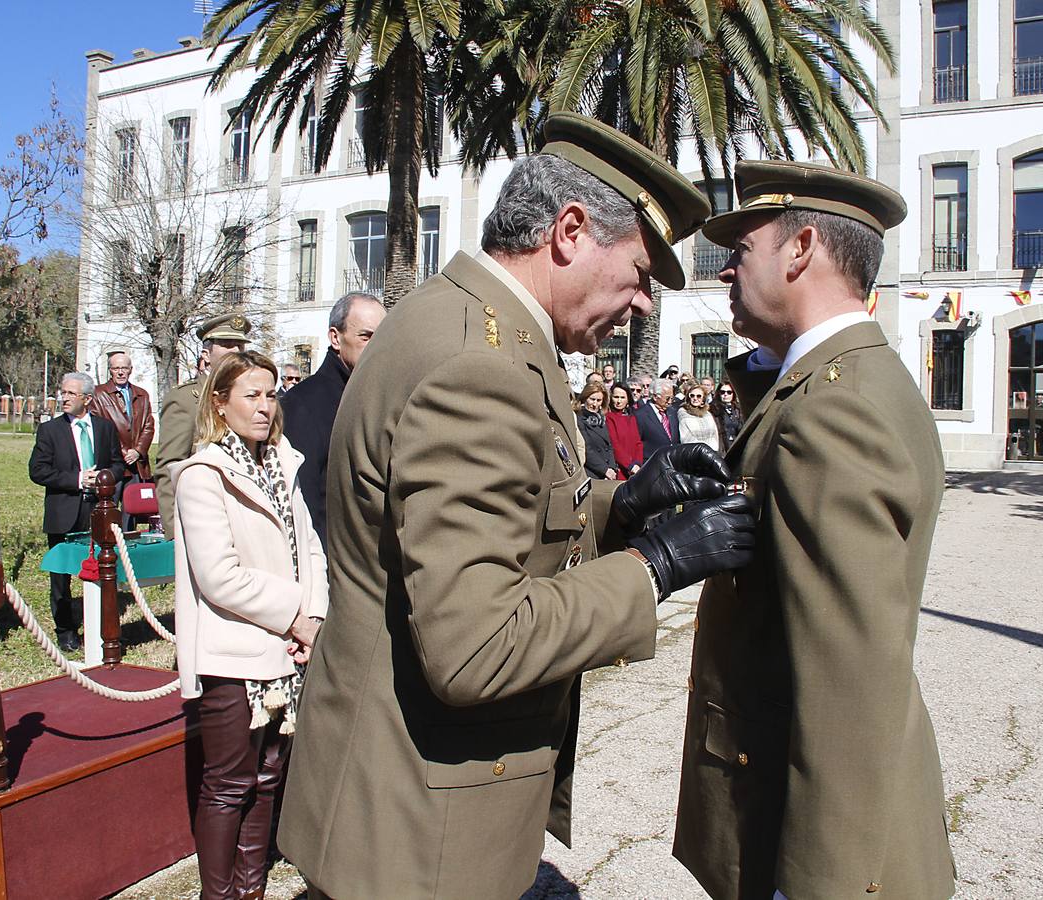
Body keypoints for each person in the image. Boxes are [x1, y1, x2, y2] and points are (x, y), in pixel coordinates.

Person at [277, 112, 756, 900]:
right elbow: (476, 644)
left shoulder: (474, 326)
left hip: (398, 800)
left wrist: (623, 506)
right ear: (569, 231)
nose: (641, 303)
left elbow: (506, 519)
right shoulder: (480, 363)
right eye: (638, 272)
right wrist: (655, 566)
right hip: (417, 833)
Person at [673, 159, 956, 900]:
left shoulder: (830, 414)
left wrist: (813, 885)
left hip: (810, 841)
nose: (727, 271)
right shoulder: (847, 380)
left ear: (800, 249)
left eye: (741, 252)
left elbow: (848, 678)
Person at [171, 350, 327, 900]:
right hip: (233, 651)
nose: (265, 407)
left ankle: (250, 888)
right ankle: (220, 894)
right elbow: (219, 576)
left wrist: (315, 616)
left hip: (283, 648)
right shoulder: (201, 475)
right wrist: (296, 616)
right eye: (251, 396)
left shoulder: (282, 464)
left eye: (270, 394)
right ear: (220, 402)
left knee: (266, 781)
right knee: (228, 784)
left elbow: (308, 548)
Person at [279, 292, 385, 551]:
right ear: (336, 338)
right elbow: (305, 500)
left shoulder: (383, 396)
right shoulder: (302, 404)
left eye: (382, 338)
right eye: (366, 337)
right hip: (334, 565)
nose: (377, 346)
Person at [29, 372, 124, 653]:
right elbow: (38, 470)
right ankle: (66, 630)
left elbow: (118, 464)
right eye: (63, 392)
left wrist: (104, 478)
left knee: (103, 568)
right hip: (64, 510)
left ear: (87, 398)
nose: (64, 398)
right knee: (61, 575)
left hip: (98, 510)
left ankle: (103, 625)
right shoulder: (50, 430)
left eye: (71, 393)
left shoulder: (105, 428)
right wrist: (77, 479)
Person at [154, 313, 251, 536]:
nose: (236, 351)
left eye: (240, 345)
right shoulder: (186, 399)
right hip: (201, 519)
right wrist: (174, 532)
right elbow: (169, 468)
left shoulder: (245, 397)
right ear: (206, 355)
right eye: (227, 345)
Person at [89, 350, 155, 527]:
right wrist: (124, 451)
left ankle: (128, 545)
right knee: (107, 508)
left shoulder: (142, 395)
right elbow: (100, 427)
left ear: (130, 370)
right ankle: (106, 545)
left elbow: (148, 425)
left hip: (136, 465)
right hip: (112, 463)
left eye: (124, 368)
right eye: (116, 368)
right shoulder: (98, 394)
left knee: (132, 511)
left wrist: (138, 451)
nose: (120, 372)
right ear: (110, 370)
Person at [576, 382, 619, 479]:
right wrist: (604, 470)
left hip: (608, 473)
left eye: (599, 400)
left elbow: (609, 446)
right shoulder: (579, 418)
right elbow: (586, 448)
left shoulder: (601, 419)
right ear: (585, 398)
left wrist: (612, 468)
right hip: (591, 473)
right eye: (592, 399)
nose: (595, 404)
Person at [606, 383, 644, 479]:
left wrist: (637, 463)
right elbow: (614, 445)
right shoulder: (609, 417)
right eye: (616, 397)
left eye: (622, 397)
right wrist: (630, 465)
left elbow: (638, 443)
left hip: (635, 470)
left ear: (628, 399)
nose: (619, 401)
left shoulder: (631, 418)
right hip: (621, 469)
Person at [635, 376, 680, 455]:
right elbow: (635, 443)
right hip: (652, 462)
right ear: (655, 397)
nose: (670, 402)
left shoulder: (672, 412)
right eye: (667, 398)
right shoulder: (640, 415)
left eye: (672, 398)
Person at [676, 383, 720, 452]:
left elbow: (714, 435)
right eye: (692, 396)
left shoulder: (708, 414)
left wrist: (712, 450)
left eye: (699, 396)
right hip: (694, 454)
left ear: (703, 399)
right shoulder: (683, 412)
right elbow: (686, 438)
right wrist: (703, 450)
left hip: (711, 453)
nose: (695, 398)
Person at [710, 380, 743, 450]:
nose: (725, 394)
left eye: (729, 392)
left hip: (735, 446)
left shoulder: (738, 409)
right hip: (721, 447)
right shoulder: (713, 409)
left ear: (733, 393)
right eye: (722, 392)